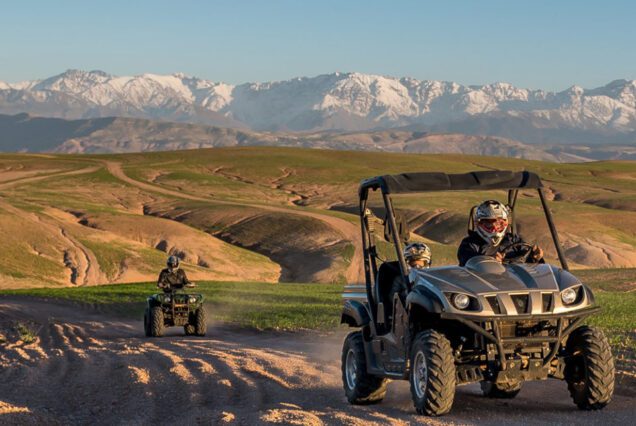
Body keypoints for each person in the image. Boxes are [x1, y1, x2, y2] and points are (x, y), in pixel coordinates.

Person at [457, 200, 543, 267]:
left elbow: (529, 268)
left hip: (514, 285)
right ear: (479, 223)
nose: (495, 228)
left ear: (506, 222)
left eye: (499, 223)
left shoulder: (514, 240)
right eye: (488, 223)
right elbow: (467, 263)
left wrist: (535, 258)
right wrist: (488, 262)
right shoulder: (469, 244)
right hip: (484, 286)